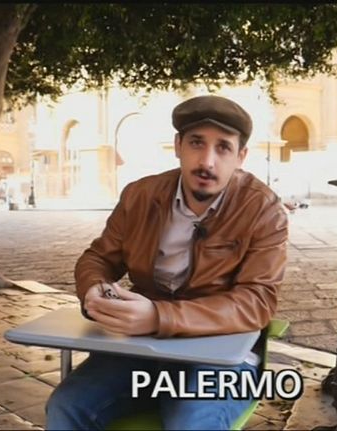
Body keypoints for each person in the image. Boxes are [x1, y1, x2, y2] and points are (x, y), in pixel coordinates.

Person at [46, 95, 289, 430]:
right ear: (178, 146)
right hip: (141, 349)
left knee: (190, 423)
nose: (207, 161)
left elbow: (257, 302)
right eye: (196, 143)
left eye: (223, 148)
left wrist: (158, 317)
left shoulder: (264, 210)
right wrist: (94, 290)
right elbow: (98, 258)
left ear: (241, 156)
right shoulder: (140, 196)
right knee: (66, 405)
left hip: (224, 354)